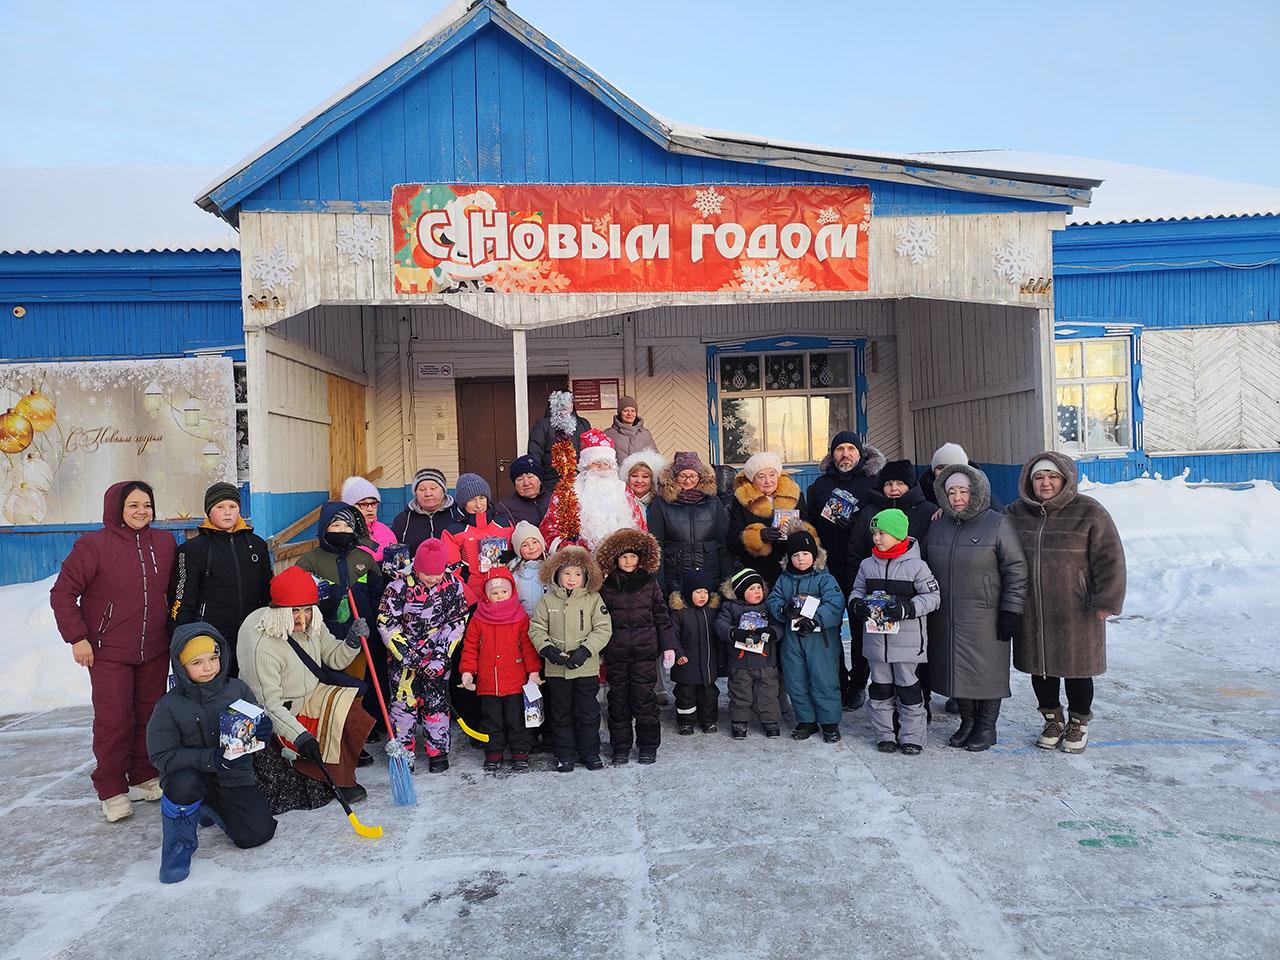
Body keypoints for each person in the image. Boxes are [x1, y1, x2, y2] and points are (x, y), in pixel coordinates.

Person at [50, 480, 177, 822]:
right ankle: (111, 789)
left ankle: (142, 776)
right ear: (116, 508)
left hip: (154, 647)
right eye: (133, 505)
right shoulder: (93, 546)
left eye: (147, 505)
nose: (142, 511)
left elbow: (173, 590)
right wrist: (77, 637)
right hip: (107, 650)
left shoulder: (164, 543)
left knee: (150, 715)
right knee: (114, 719)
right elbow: (62, 594)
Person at [1006, 452, 1126, 754]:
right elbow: (986, 528)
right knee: (1041, 668)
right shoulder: (1016, 513)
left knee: (1077, 669)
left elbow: (1110, 559)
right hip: (1033, 608)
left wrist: (1106, 600)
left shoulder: (1089, 512)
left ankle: (1078, 723)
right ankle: (1052, 720)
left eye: (1052, 477)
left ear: (1066, 479)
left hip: (1077, 608)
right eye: (1038, 477)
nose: (1045, 483)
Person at [146, 623, 277, 883]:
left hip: (233, 776)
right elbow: (162, 756)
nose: (208, 667)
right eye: (197, 662)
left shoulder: (238, 689)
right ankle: (178, 849)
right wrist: (211, 758)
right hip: (192, 776)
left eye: (213, 658)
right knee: (183, 784)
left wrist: (263, 730)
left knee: (256, 834)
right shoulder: (168, 706)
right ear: (181, 666)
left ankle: (208, 809)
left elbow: (252, 727)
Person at [237, 566, 375, 805]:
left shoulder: (313, 622)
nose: (303, 618)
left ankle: (344, 763)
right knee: (314, 742)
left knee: (352, 712)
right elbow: (268, 706)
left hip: (310, 691)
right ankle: (337, 778)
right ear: (279, 610)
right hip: (281, 710)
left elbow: (334, 657)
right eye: (295, 611)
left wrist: (352, 642)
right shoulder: (262, 646)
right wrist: (300, 736)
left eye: (308, 609)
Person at [925, 465, 1028, 751]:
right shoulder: (939, 525)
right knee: (957, 669)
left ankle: (987, 726)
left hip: (986, 613)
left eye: (964, 491)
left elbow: (1016, 569)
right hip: (946, 614)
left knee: (987, 671)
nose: (957, 498)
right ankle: (968, 722)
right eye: (951, 492)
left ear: (977, 492)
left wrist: (1011, 610)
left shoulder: (998, 524)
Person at [849, 509, 942, 755]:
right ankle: (885, 735)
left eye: (882, 533)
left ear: (898, 534)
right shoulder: (867, 565)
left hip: (907, 644)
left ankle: (912, 737)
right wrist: (856, 604)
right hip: (876, 643)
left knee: (908, 690)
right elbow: (857, 590)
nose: (876, 538)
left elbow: (933, 597)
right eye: (874, 533)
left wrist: (907, 608)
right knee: (880, 690)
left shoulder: (917, 566)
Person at [296, 501, 385, 740]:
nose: (341, 530)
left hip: (362, 637)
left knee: (360, 684)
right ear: (324, 528)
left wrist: (376, 629)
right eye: (335, 525)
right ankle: (335, 732)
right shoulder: (309, 561)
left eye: (347, 526)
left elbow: (377, 598)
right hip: (326, 638)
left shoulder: (364, 560)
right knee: (334, 685)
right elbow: (300, 603)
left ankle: (363, 730)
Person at [377, 539, 467, 773]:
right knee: (403, 706)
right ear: (417, 568)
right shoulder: (398, 587)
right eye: (427, 574)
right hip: (404, 660)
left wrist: (440, 657)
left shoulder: (452, 585)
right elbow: (386, 623)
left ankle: (438, 750)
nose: (433, 579)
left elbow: (456, 621)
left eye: (437, 574)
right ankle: (403, 753)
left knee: (436, 702)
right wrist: (408, 657)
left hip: (437, 657)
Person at [170, 482, 273, 677]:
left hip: (252, 633)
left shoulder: (257, 545)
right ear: (209, 511)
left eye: (232, 506)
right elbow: (183, 598)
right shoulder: (193, 550)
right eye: (220, 507)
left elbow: (267, 589)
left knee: (250, 683)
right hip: (211, 635)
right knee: (216, 683)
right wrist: (181, 635)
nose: (227, 512)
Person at [529, 546, 612, 773]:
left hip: (585, 668)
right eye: (566, 573)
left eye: (577, 574)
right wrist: (547, 649)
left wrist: (585, 650)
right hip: (557, 669)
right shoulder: (547, 600)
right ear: (556, 574)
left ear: (586, 576)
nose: (571, 578)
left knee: (587, 712)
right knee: (560, 713)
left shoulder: (593, 599)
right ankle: (564, 754)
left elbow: (603, 629)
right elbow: (536, 628)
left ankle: (590, 752)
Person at [597, 529, 676, 765]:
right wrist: (600, 650)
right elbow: (599, 620)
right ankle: (620, 747)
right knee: (618, 702)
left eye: (633, 556)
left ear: (640, 558)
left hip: (645, 652)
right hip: (617, 653)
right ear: (615, 559)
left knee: (645, 701)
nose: (629, 561)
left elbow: (662, 617)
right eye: (624, 557)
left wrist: (668, 646)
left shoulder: (650, 583)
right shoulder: (607, 586)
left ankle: (648, 746)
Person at [459, 567, 542, 772]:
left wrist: (533, 672)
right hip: (489, 681)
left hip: (515, 680)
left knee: (517, 719)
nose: (499, 596)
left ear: (511, 592)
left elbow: (528, 648)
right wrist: (467, 671)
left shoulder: (520, 617)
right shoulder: (478, 618)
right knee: (491, 720)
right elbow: (470, 647)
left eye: (503, 592)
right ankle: (494, 752)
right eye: (494, 593)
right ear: (486, 594)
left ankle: (520, 751)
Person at [766, 531, 846, 743]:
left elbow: (835, 604)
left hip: (820, 640)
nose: (800, 559)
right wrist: (783, 610)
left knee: (824, 680)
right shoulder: (784, 580)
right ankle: (806, 720)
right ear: (788, 558)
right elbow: (773, 599)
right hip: (792, 639)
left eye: (805, 554)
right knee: (796, 680)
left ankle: (829, 722)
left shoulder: (825, 578)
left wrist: (816, 620)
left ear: (814, 555)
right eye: (795, 555)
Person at [540, 429, 647, 550]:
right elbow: (550, 530)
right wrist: (571, 549)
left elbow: (640, 528)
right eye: (597, 462)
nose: (602, 467)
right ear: (585, 464)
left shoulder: (622, 490)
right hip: (579, 558)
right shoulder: (568, 490)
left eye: (607, 462)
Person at [647, 450, 733, 594]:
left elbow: (722, 542)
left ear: (700, 476)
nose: (688, 481)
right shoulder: (661, 503)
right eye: (682, 476)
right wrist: (659, 583)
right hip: (674, 575)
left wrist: (726, 579)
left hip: (708, 573)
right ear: (675, 476)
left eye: (693, 476)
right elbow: (656, 545)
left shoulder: (713, 501)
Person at [728, 452, 815, 589]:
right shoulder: (742, 501)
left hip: (791, 568)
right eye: (761, 476)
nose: (768, 481)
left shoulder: (794, 496)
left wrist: (797, 532)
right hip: (758, 573)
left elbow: (808, 531)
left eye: (772, 474)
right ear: (752, 479)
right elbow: (733, 541)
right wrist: (758, 536)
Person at [716, 568, 781, 739]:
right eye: (751, 589)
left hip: (765, 661)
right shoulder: (730, 607)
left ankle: (770, 721)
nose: (757, 592)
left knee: (768, 694)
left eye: (759, 588)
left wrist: (772, 632)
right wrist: (734, 633)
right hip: (740, 662)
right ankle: (739, 722)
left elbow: (778, 625)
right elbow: (720, 625)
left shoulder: (767, 606)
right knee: (740, 693)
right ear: (739, 592)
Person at [668, 568, 723, 735]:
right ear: (688, 592)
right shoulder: (679, 613)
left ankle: (708, 720)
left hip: (708, 664)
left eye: (705, 592)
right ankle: (686, 722)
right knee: (686, 695)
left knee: (709, 695)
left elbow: (718, 637)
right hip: (686, 664)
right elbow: (672, 636)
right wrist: (678, 654)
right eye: (698, 592)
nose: (702, 596)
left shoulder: (712, 612)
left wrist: (721, 658)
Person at [441, 473, 515, 586]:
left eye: (482, 498)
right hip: (472, 590)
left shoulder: (505, 525)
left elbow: (516, 560)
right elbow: (452, 572)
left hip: (504, 589)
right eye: (472, 500)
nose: (478, 505)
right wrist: (468, 595)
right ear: (463, 503)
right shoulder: (453, 532)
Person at [391, 467, 465, 556]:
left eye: (433, 488)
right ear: (415, 493)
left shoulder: (459, 514)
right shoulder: (402, 520)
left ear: (443, 490)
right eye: (422, 489)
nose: (428, 494)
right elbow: (395, 553)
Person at [528, 392, 592, 485]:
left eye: (569, 402)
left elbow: (590, 450)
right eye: (561, 402)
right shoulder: (542, 425)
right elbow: (535, 452)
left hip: (579, 477)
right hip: (550, 479)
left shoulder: (583, 424)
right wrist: (536, 477)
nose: (565, 406)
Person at [919, 443, 1004, 512]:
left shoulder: (984, 498)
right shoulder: (924, 495)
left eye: (951, 467)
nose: (945, 471)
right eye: (940, 468)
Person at [341, 475, 397, 563]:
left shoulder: (385, 530)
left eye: (374, 503)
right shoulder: (344, 533)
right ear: (350, 507)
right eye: (363, 504)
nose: (370, 509)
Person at [498, 455, 552, 527]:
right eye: (520, 479)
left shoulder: (556, 500)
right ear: (515, 485)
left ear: (540, 480)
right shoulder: (504, 507)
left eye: (530, 477)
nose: (526, 483)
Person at [509, 521, 548, 617]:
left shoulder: (553, 565)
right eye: (525, 545)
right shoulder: (514, 570)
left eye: (535, 542)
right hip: (524, 619)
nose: (531, 547)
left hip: (550, 620)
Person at [603, 395, 658, 460]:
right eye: (625, 411)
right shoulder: (608, 434)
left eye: (633, 411)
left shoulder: (645, 434)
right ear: (620, 413)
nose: (629, 414)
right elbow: (603, 458)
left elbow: (655, 457)